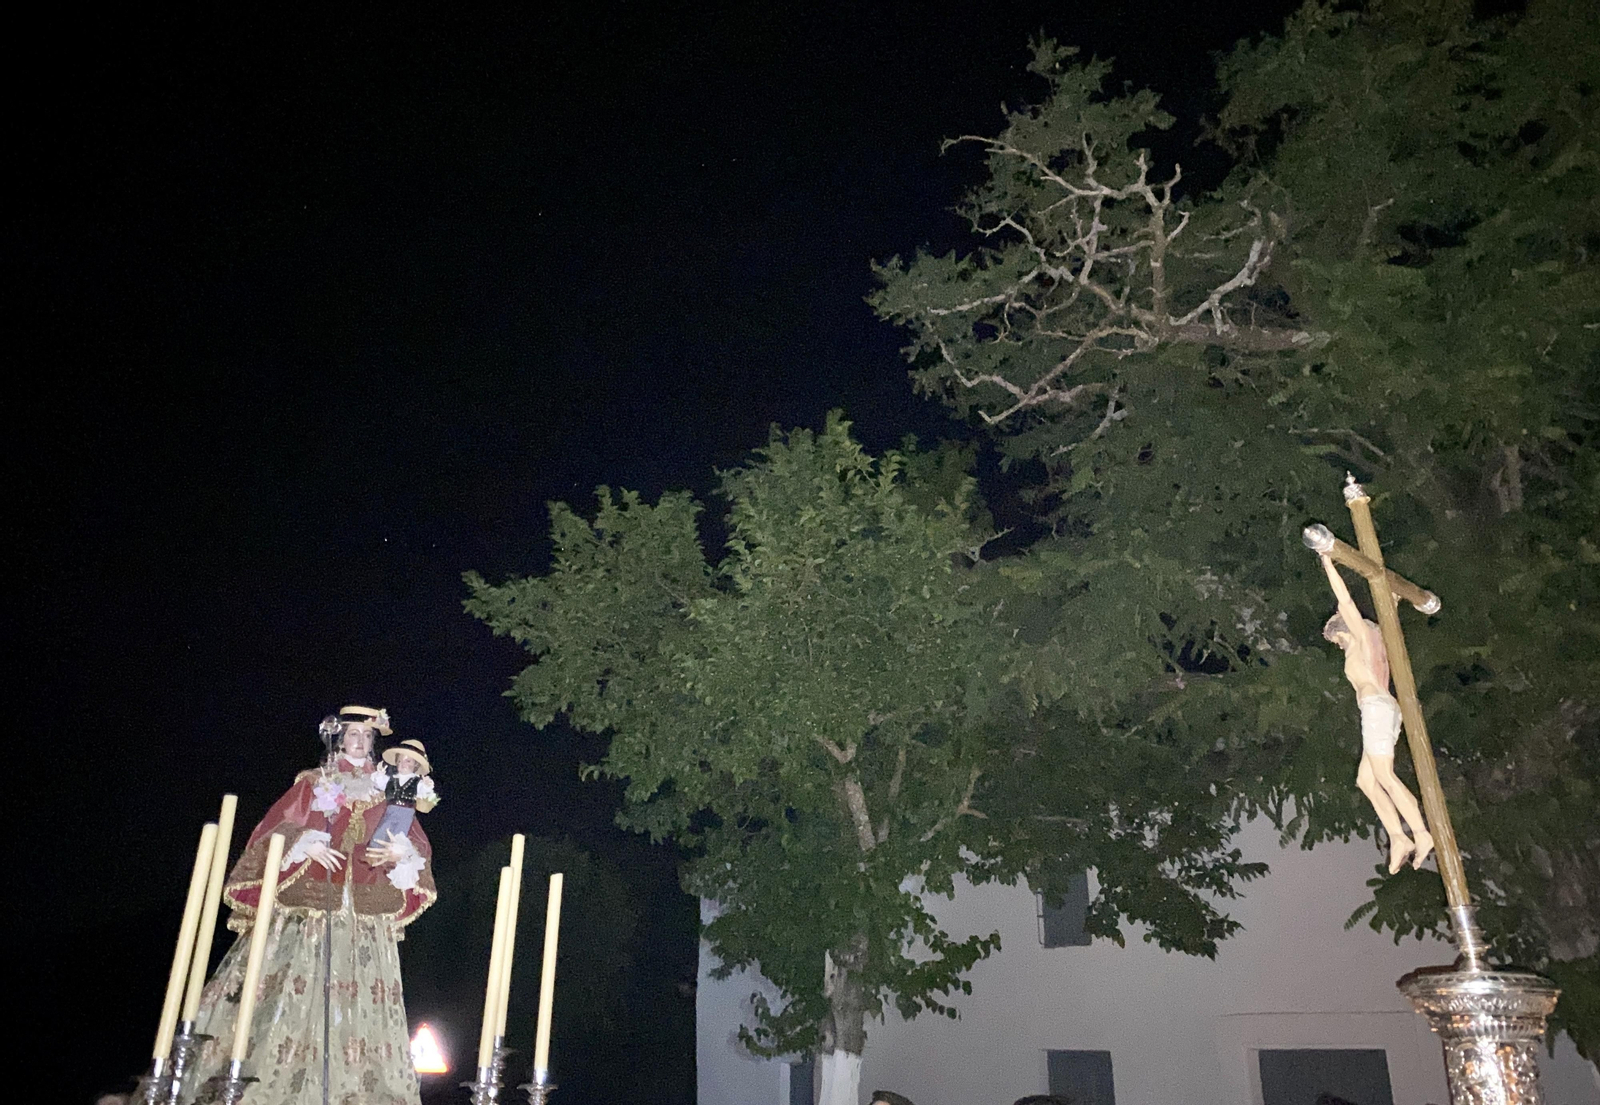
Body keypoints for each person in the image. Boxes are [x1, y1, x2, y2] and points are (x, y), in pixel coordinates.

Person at [182, 706, 437, 1105]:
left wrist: (399, 853)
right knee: (293, 992)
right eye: (352, 734)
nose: (359, 742)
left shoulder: (390, 789)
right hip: (312, 908)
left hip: (363, 914)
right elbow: (273, 830)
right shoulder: (314, 782)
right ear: (340, 739)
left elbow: (415, 844)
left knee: (360, 1001)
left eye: (366, 736)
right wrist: (304, 843)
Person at [1318, 555, 1434, 873]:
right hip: (1383, 709)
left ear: (1344, 632)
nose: (1338, 646)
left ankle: (1421, 833)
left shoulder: (1361, 641)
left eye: (1337, 640)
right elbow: (1387, 623)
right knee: (1366, 780)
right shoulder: (1376, 640)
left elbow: (1345, 601)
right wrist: (1392, 603)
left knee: (1384, 776)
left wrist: (1328, 562)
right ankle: (1399, 837)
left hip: (1376, 708)